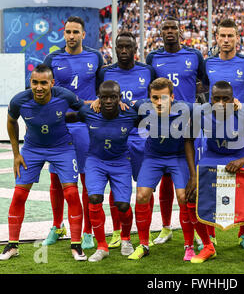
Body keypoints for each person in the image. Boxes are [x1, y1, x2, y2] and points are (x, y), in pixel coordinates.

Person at [0, 64, 86, 261]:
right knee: (19, 195)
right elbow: (11, 122)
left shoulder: (64, 95)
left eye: (43, 83)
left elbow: (85, 109)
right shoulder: (19, 100)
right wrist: (16, 154)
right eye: (35, 83)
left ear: (52, 83)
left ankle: (77, 245)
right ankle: (12, 246)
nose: (39, 87)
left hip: (62, 148)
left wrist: (98, 104)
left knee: (71, 193)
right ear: (30, 82)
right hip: (32, 149)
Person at [42, 16, 104, 249]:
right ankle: (58, 226)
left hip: (85, 127)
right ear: (63, 33)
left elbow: (101, 93)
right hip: (60, 127)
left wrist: (91, 106)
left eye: (75, 32)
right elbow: (44, 92)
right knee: (57, 179)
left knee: (88, 179)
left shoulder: (95, 57)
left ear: (83, 34)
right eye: (67, 32)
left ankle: (88, 231)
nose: (71, 36)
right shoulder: (52, 58)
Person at [184, 81, 244, 263]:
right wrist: (193, 176)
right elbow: (188, 141)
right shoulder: (201, 113)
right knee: (191, 196)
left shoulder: (243, 114)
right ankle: (208, 245)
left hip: (241, 154)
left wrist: (242, 160)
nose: (220, 103)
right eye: (216, 99)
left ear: (232, 99)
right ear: (210, 99)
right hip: (213, 155)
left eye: (225, 99)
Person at [201, 17, 244, 250]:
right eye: (222, 36)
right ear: (216, 38)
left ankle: (243, 234)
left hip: (240, 130)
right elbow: (201, 88)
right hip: (213, 131)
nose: (226, 40)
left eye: (230, 36)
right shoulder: (207, 63)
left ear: (238, 38)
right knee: (208, 186)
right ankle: (210, 235)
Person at [65, 80, 140, 261]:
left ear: (119, 98)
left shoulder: (130, 113)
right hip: (95, 161)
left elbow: (153, 116)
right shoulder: (89, 112)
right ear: (98, 98)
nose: (108, 101)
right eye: (104, 97)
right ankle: (101, 246)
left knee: (122, 205)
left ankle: (126, 239)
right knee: (94, 197)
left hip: (120, 161)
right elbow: (68, 115)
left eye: (113, 97)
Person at [146, 16, 205, 245]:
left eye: (173, 27)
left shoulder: (194, 55)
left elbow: (205, 82)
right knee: (165, 179)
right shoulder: (153, 58)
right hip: (161, 125)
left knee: (193, 178)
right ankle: (166, 227)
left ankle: (201, 231)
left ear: (180, 31)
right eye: (165, 28)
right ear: (161, 32)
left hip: (188, 126)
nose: (169, 31)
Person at [97, 31, 156, 251]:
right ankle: (117, 232)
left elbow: (155, 98)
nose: (123, 51)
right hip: (114, 138)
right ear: (114, 49)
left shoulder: (147, 71)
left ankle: (145, 233)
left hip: (142, 136)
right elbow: (99, 100)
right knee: (116, 188)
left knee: (145, 188)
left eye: (127, 47)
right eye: (119, 47)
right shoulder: (105, 73)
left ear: (135, 49)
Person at [127, 78, 196, 261]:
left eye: (163, 98)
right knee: (141, 195)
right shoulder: (143, 106)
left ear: (172, 97)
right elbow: (122, 102)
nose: (159, 102)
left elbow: (212, 107)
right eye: (155, 98)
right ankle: (143, 244)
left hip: (178, 157)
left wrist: (234, 104)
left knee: (183, 197)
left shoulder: (186, 108)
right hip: (153, 157)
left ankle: (189, 246)